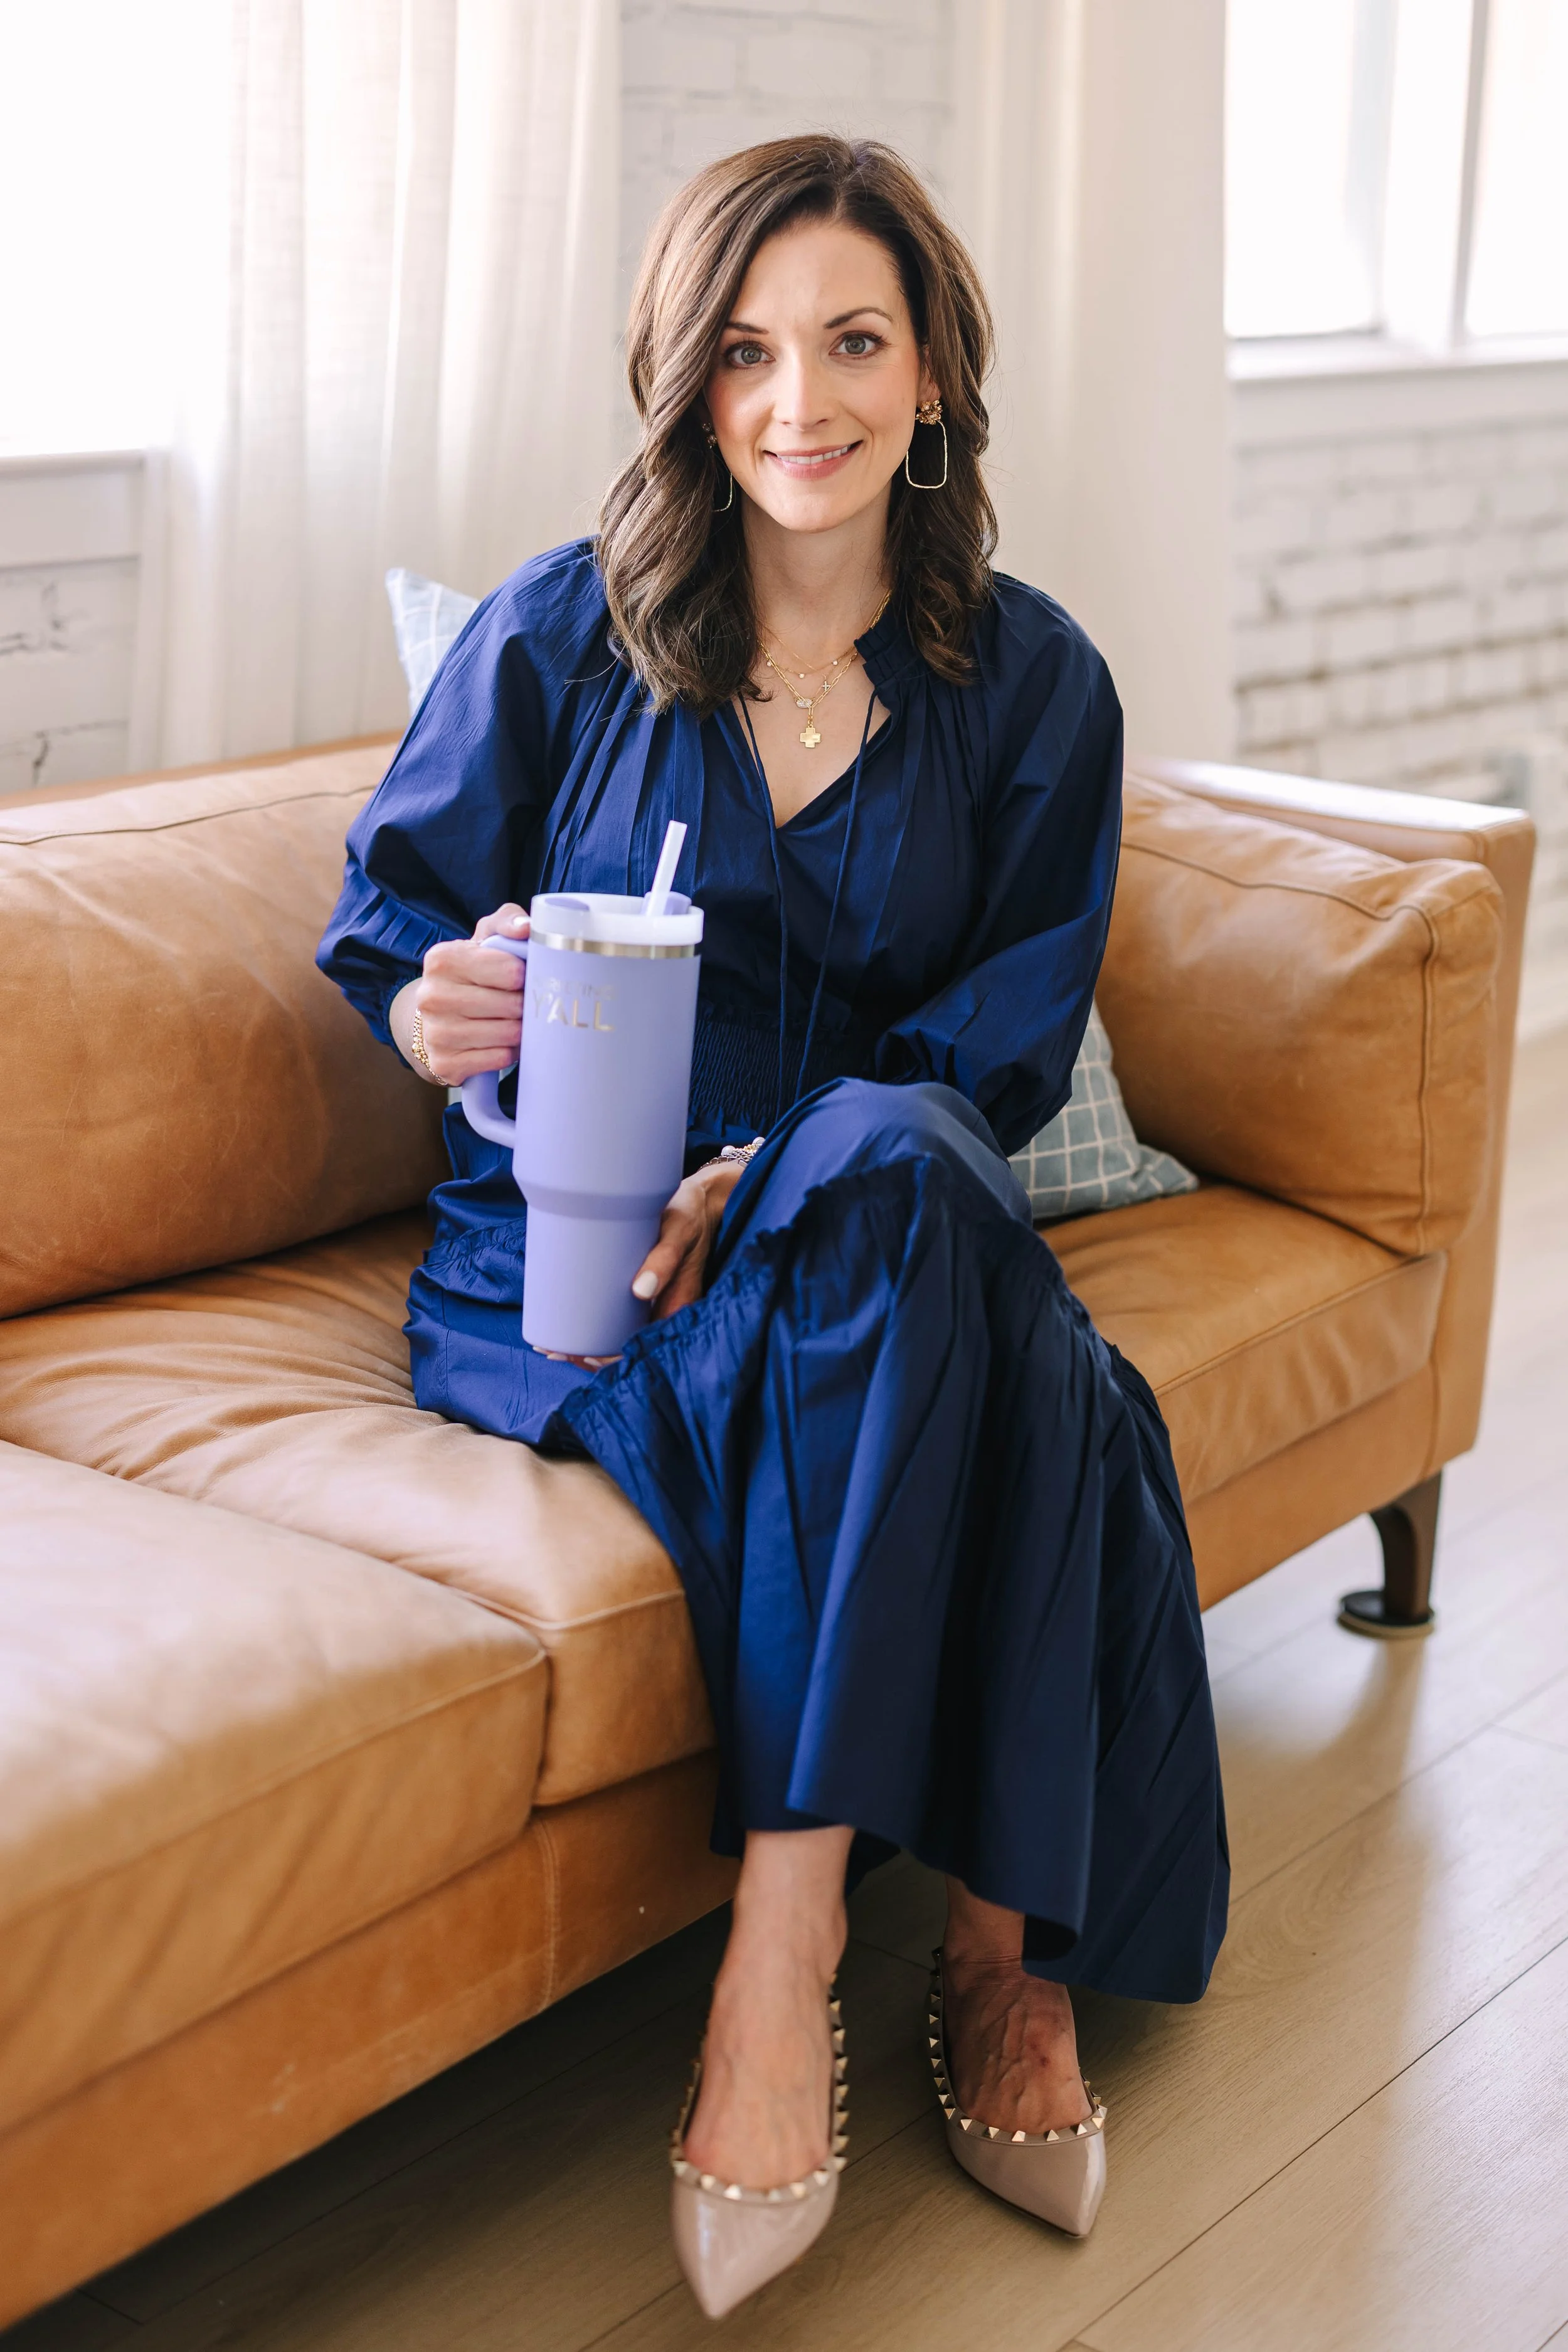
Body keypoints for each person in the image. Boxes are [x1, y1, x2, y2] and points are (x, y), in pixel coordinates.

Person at [318, 135, 1227, 2318]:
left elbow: (998, 1059)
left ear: (931, 379)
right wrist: (438, 1005)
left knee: (904, 1177)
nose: (795, 399)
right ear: (683, 377)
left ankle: (787, 1938)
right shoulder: (562, 631)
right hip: (585, 1254)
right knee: (1051, 1386)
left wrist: (797, 1152)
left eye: (849, 342)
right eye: (744, 349)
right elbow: (392, 926)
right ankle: (998, 1953)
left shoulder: (1038, 688)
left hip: (870, 1213)